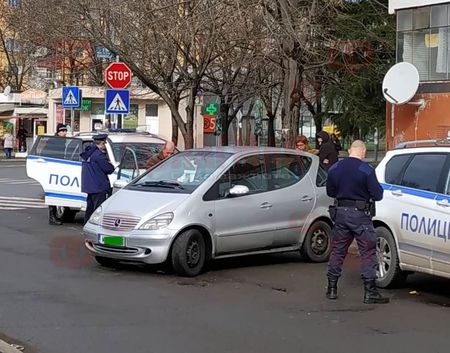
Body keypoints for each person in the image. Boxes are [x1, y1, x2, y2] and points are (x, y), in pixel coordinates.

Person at [325, 140, 389, 304]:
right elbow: (378, 195)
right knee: (367, 251)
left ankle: (331, 288)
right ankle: (370, 292)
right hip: (360, 215)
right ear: (363, 151)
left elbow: (330, 191)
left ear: (349, 150)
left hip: (340, 213)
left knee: (338, 250)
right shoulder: (366, 170)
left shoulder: (335, 168)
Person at [81, 134, 115, 224]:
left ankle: (87, 225)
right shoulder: (98, 155)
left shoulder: (88, 153)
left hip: (90, 186)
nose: (105, 146)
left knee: (90, 209)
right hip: (98, 187)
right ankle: (95, 227)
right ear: (102, 143)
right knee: (98, 210)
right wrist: (111, 164)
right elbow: (109, 169)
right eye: (104, 143)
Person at [48, 123, 68, 225]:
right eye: (63, 131)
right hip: (53, 169)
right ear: (58, 132)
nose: (65, 133)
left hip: (59, 169)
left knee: (57, 194)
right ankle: (52, 216)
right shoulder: (54, 141)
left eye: (65, 131)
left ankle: (55, 215)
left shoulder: (62, 140)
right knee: (53, 193)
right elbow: (48, 154)